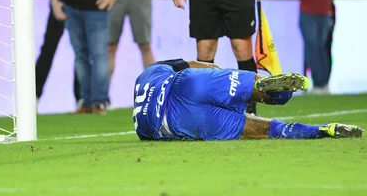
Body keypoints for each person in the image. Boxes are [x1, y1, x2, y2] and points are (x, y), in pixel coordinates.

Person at [133, 59, 364, 141]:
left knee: (264, 130)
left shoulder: (140, 127)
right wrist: (223, 78)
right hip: (187, 82)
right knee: (265, 91)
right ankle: (262, 87)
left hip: (171, 119)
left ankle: (321, 130)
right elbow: (199, 66)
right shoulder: (149, 72)